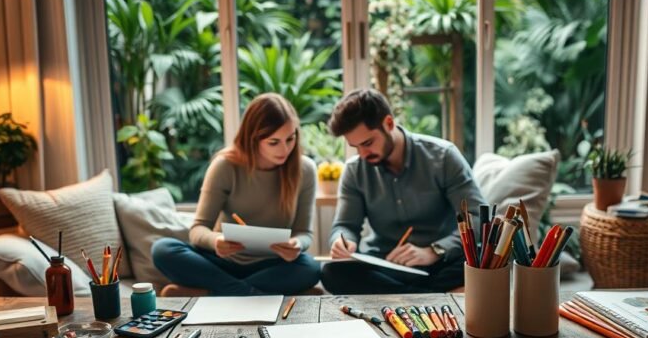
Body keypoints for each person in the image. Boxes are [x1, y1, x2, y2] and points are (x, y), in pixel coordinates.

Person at [152, 93, 320, 296]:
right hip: (222, 263)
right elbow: (198, 230)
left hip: (273, 266)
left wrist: (297, 244)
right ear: (252, 138)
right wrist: (216, 241)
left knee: (311, 268)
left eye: (290, 138)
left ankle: (213, 294)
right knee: (162, 249)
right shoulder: (225, 166)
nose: (285, 149)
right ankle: (250, 294)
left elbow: (304, 233)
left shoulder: (305, 169)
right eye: (273, 142)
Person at [322, 89, 485, 294]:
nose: (363, 154)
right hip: (385, 263)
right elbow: (345, 225)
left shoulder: (443, 156)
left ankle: (400, 295)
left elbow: (478, 217)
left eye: (368, 143)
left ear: (388, 123)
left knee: (483, 261)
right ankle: (430, 296)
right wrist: (342, 241)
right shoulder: (355, 171)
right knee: (331, 272)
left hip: (440, 261)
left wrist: (435, 250)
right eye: (356, 147)